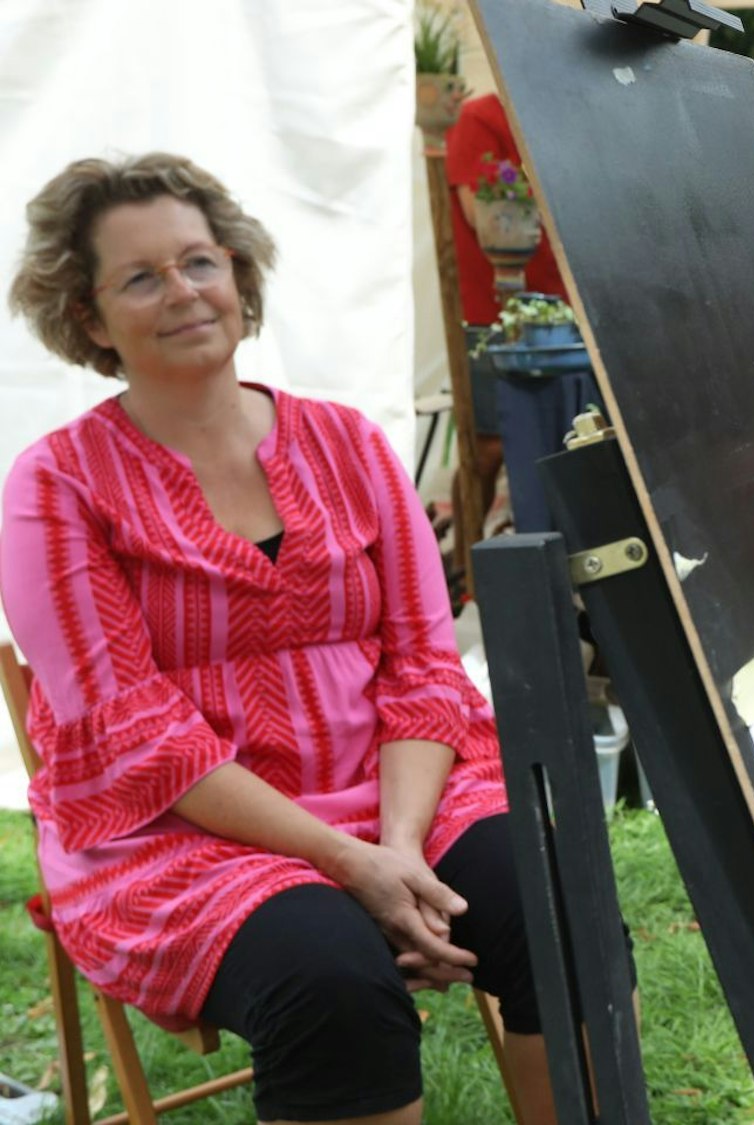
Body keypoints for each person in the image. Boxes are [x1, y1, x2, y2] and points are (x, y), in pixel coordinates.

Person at [2, 154, 558, 1124]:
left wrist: (394, 846)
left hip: (395, 789)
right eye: (141, 277)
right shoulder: (56, 489)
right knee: (328, 977)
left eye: (199, 261)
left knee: (552, 903)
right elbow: (139, 742)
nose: (183, 291)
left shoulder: (348, 444)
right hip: (180, 834)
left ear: (238, 273)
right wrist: (350, 870)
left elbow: (426, 666)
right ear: (88, 318)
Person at [444, 92, 577, 536]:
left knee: (567, 436)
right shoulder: (481, 117)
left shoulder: (563, 117)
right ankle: (468, 565)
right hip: (494, 316)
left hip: (562, 315)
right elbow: (488, 217)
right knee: (488, 449)